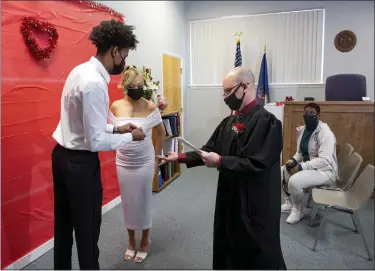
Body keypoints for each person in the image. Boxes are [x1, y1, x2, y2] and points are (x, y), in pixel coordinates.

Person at [160, 67, 286, 269]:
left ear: (245, 86)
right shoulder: (229, 122)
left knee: (258, 249)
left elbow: (257, 163)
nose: (225, 97)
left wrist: (220, 161)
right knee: (229, 241)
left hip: (255, 201)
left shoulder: (267, 122)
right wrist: (179, 157)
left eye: (228, 91)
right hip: (231, 196)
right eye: (224, 92)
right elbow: (209, 150)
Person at [51, 20, 146, 270]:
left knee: (63, 227)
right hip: (80, 165)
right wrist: (130, 137)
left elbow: (82, 124)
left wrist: (116, 127)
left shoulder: (79, 71)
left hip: (60, 157)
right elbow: (94, 141)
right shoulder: (94, 83)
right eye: (124, 54)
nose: (123, 61)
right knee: (87, 230)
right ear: (115, 51)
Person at [108, 66, 166, 263]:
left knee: (143, 201)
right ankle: (131, 240)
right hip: (123, 162)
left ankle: (145, 239)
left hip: (145, 162)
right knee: (128, 202)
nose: (136, 88)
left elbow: (161, 133)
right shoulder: (115, 106)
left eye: (140, 85)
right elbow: (110, 131)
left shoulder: (150, 107)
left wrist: (158, 157)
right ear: (125, 85)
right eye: (132, 85)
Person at [281, 103, 338, 224]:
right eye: (306, 112)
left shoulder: (325, 133)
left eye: (312, 113)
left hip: (325, 171)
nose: (308, 115)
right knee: (283, 170)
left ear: (318, 115)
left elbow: (325, 160)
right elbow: (301, 152)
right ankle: (290, 202)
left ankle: (298, 210)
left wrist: (301, 167)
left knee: (294, 181)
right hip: (309, 165)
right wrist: (293, 160)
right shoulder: (303, 130)